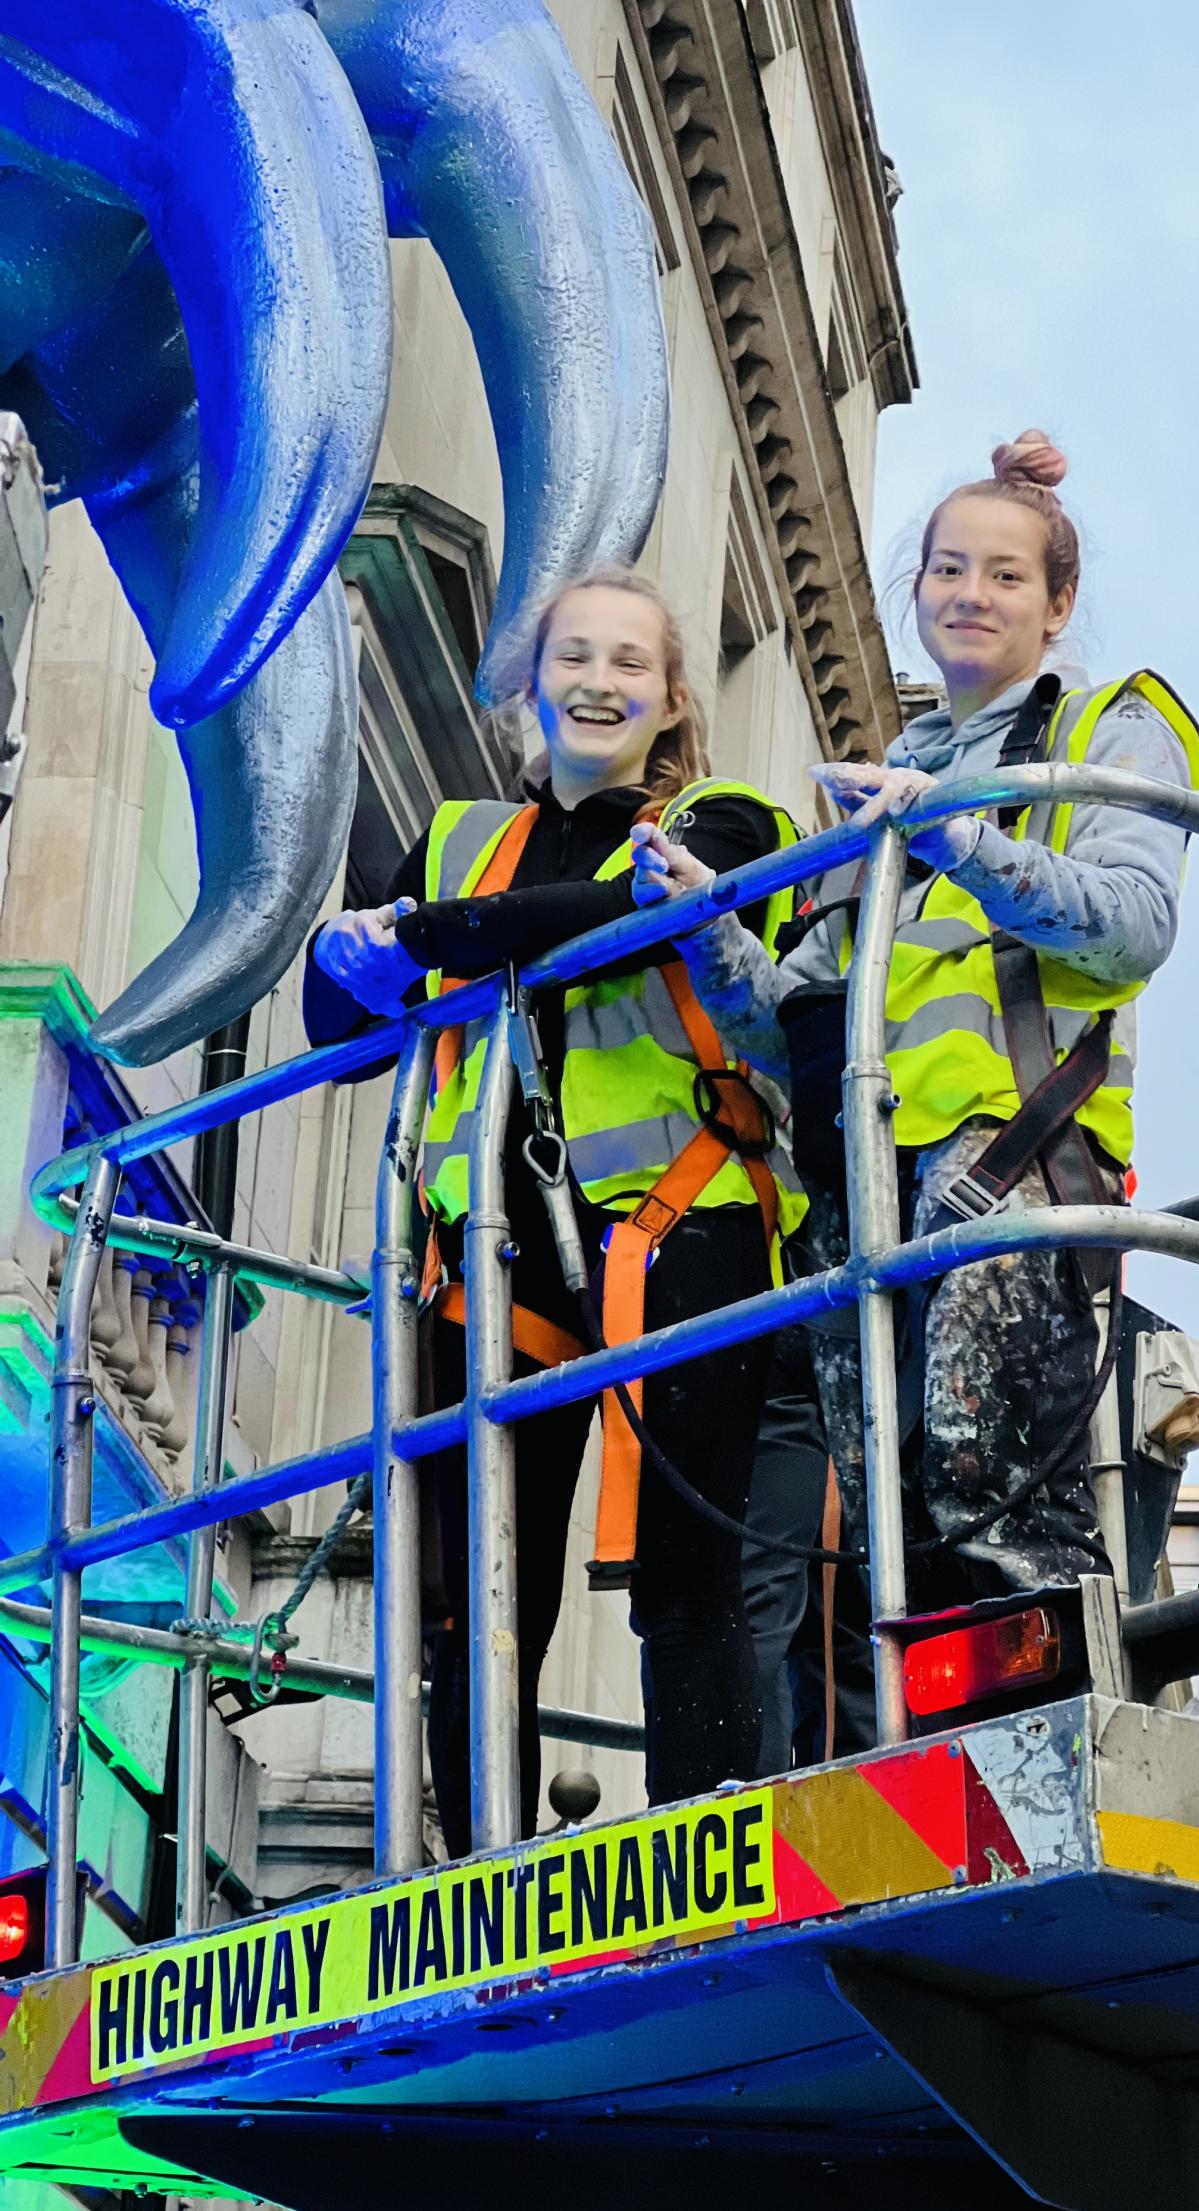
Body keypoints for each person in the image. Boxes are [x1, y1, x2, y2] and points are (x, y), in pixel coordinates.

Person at [631, 431, 1199, 1623]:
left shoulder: (1105, 727)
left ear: (1059, 605)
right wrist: (704, 927)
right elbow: (788, 1020)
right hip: (866, 1191)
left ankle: (1050, 1770)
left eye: (1004, 574)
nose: (970, 594)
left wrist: (957, 837)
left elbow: (1134, 926)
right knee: (890, 1519)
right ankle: (928, 1775)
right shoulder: (878, 787)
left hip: (1012, 1163)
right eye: (948, 568)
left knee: (987, 1501)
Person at [305, 568, 805, 1849]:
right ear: (532, 686)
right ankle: (478, 1866)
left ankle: (708, 1848)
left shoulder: (727, 818)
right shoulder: (467, 840)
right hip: (492, 1256)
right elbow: (338, 1022)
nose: (598, 682)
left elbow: (632, 919)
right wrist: (356, 950)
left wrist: (419, 938)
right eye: (574, 657)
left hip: (683, 1225)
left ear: (673, 698)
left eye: (630, 663)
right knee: (471, 1594)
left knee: (687, 1580)